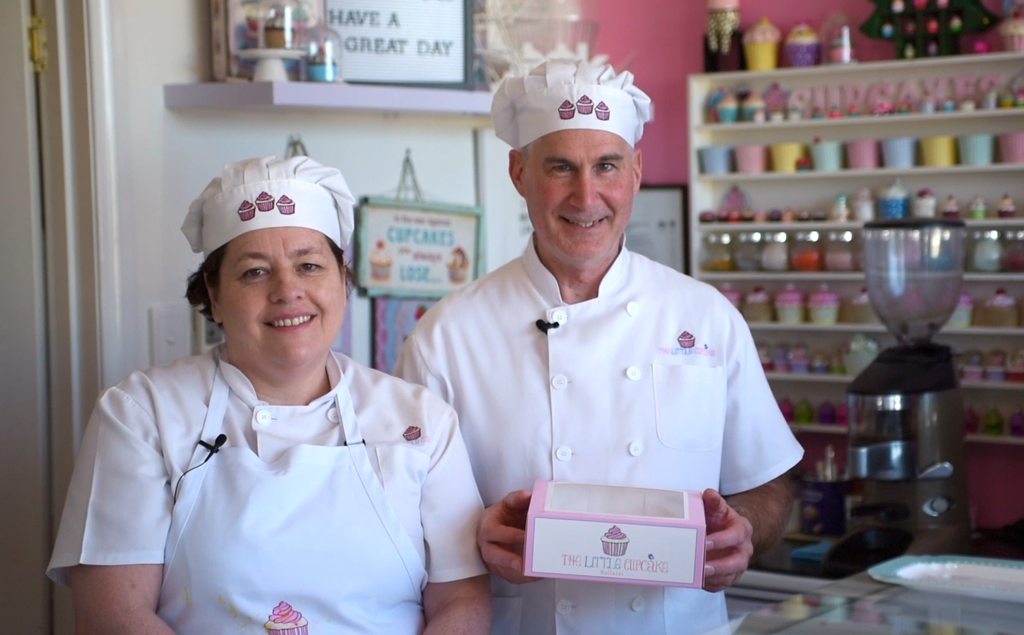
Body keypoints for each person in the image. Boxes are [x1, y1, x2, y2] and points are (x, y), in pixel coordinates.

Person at [393, 61, 803, 635]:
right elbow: (398, 520)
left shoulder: (706, 317)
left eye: (606, 166)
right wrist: (473, 536)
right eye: (561, 167)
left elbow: (766, 480)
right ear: (519, 172)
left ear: (635, 172)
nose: (586, 196)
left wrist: (744, 531)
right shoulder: (446, 337)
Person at [47, 156, 491, 635]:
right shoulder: (141, 414)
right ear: (213, 296)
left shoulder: (421, 419)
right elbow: (113, 615)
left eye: (309, 265)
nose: (288, 290)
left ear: (342, 281)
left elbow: (461, 601)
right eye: (255, 272)